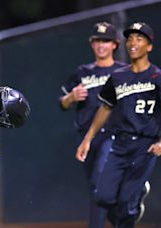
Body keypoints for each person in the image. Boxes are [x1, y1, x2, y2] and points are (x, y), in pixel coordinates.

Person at [76, 22, 161, 228]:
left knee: (125, 206)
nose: (133, 42)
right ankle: (135, 194)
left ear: (149, 46)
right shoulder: (118, 76)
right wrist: (87, 139)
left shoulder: (157, 76)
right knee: (102, 197)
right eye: (130, 38)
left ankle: (132, 199)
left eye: (139, 39)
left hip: (145, 146)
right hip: (119, 144)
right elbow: (105, 108)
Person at [60, 22, 126, 228]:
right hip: (88, 139)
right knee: (98, 189)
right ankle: (125, 216)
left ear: (114, 44)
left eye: (105, 41)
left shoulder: (124, 71)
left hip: (114, 136)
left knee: (99, 183)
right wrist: (71, 97)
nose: (101, 45)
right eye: (97, 41)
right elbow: (62, 103)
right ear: (91, 44)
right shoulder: (82, 72)